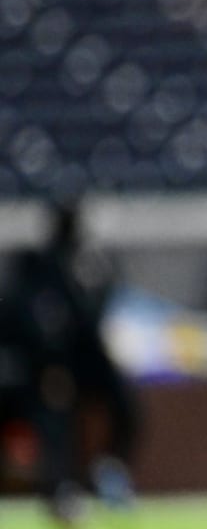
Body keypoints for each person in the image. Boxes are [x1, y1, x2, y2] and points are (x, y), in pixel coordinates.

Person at [0, 203, 138, 523]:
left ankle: (110, 473)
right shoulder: (39, 267)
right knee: (55, 425)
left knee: (126, 409)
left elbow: (93, 316)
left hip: (83, 361)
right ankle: (60, 490)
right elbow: (31, 322)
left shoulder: (88, 264)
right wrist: (50, 366)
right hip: (44, 368)